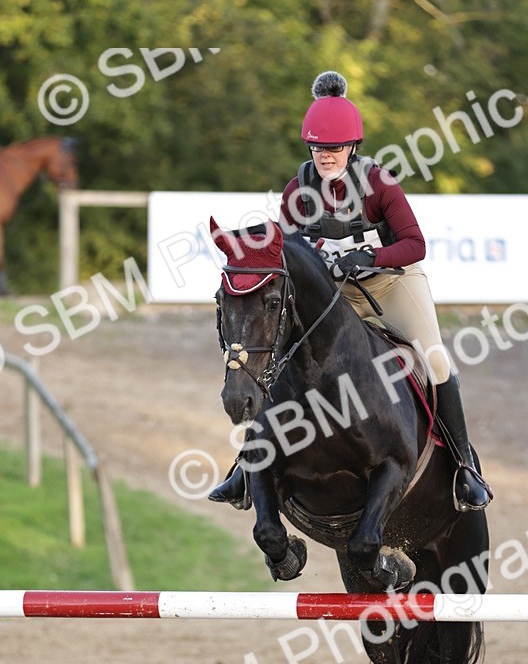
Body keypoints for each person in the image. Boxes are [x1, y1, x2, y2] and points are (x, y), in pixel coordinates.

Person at [210, 70, 492, 513]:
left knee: (435, 358)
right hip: (338, 293)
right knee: (278, 359)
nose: (326, 156)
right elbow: (282, 252)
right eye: (319, 148)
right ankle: (245, 468)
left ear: (352, 147)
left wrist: (371, 258)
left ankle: (464, 468)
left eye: (335, 148)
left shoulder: (379, 184)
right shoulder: (298, 192)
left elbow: (415, 245)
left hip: (393, 282)